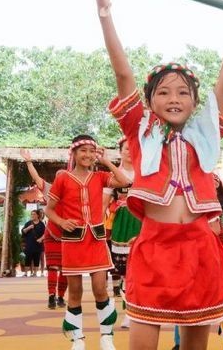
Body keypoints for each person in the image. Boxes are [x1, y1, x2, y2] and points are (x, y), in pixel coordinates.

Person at [93, 0, 223, 349]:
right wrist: (105, 12)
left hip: (200, 249)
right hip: (153, 249)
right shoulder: (140, 131)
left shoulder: (207, 132)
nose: (174, 98)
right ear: (151, 100)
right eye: (164, 92)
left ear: (193, 101)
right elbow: (123, 75)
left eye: (183, 92)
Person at [44, 135, 130, 350]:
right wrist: (62, 222)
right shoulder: (63, 177)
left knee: (101, 289)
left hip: (96, 240)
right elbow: (49, 210)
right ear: (73, 153)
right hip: (72, 241)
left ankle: (106, 337)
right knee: (74, 291)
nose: (88, 155)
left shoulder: (100, 177)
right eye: (83, 151)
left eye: (92, 151)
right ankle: (77, 338)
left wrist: (108, 161)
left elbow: (125, 181)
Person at [173, 174, 223, 350]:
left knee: (205, 294)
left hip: (208, 249)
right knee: (201, 295)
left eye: (216, 180)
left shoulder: (214, 200)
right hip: (199, 250)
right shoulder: (195, 198)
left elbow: (221, 225)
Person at [20, 148, 68, 308]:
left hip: (69, 233)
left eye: (65, 176)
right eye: (59, 177)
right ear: (56, 179)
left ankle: (60, 297)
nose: (62, 179)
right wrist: (28, 161)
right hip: (53, 233)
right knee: (53, 267)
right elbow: (35, 177)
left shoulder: (75, 191)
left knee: (66, 269)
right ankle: (51, 296)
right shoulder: (49, 189)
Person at [102, 137, 138, 327]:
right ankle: (128, 312)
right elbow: (103, 203)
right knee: (125, 273)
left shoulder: (144, 173)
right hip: (121, 226)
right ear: (120, 151)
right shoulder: (112, 175)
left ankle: (141, 310)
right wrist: (98, 227)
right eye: (126, 148)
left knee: (141, 271)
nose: (130, 152)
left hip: (142, 223)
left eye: (133, 148)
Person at [21, 210, 45, 277]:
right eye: (32, 214)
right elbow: (23, 231)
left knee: (36, 258)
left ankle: (35, 273)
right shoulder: (28, 223)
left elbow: (45, 233)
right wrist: (28, 228)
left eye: (34, 214)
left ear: (37, 215)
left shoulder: (41, 224)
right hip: (29, 244)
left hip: (38, 244)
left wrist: (41, 239)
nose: (32, 216)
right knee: (28, 258)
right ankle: (26, 273)